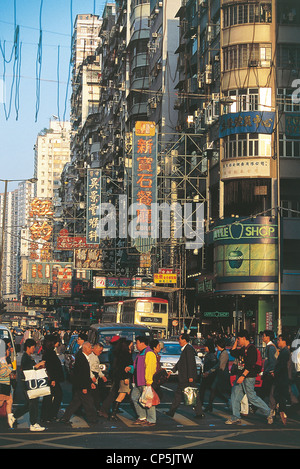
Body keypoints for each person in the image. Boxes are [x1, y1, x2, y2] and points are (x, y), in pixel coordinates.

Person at [225, 329, 273, 425]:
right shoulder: (243, 348)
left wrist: (243, 376)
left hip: (248, 377)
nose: (238, 341)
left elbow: (250, 365)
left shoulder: (251, 349)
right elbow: (233, 352)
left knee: (252, 397)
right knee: (235, 396)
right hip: (241, 376)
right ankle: (235, 417)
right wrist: (235, 342)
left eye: (238, 339)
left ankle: (268, 412)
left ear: (243, 338)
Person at [165, 333, 205, 419]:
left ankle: (199, 413)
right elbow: (180, 362)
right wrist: (172, 370)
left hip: (187, 377)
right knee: (179, 395)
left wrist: (190, 377)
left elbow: (191, 363)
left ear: (184, 340)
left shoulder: (189, 349)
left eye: (179, 339)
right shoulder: (186, 349)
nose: (178, 341)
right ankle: (172, 411)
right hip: (184, 377)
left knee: (193, 395)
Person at [60, 342, 98, 426]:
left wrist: (90, 383)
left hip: (82, 384)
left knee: (75, 402)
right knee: (89, 402)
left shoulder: (83, 357)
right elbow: (81, 374)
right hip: (82, 385)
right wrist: (84, 387)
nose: (91, 349)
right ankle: (93, 419)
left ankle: (65, 418)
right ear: (85, 348)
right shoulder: (81, 358)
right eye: (90, 347)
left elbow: (85, 374)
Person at [14, 338, 46, 431]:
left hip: (30, 382)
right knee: (33, 403)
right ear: (28, 347)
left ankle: (15, 416)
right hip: (28, 383)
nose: (34, 349)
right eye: (33, 347)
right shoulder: (25, 357)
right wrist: (37, 365)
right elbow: (27, 370)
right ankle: (33, 423)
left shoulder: (28, 356)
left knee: (31, 403)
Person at [127, 336, 158, 427]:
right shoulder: (140, 354)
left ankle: (151, 420)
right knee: (135, 398)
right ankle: (142, 417)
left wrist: (149, 381)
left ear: (142, 343)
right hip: (138, 381)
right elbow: (136, 367)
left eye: (137, 343)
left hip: (146, 382)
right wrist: (131, 368)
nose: (136, 345)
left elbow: (150, 368)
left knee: (148, 401)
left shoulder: (149, 353)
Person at [40, 335, 65, 423]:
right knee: (55, 395)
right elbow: (50, 367)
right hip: (52, 379)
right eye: (57, 341)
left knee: (50, 396)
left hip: (53, 379)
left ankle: (48, 415)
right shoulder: (49, 353)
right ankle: (49, 415)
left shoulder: (49, 352)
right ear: (53, 343)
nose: (58, 343)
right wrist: (53, 379)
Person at [204, 337, 231, 412]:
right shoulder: (222, 353)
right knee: (214, 390)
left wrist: (210, 371)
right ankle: (210, 406)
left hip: (222, 375)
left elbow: (220, 365)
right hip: (220, 374)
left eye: (217, 346)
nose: (216, 347)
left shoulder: (224, 353)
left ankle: (230, 402)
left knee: (222, 392)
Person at [110, 340, 133, 421]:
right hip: (124, 378)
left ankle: (137, 413)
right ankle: (113, 414)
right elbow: (124, 367)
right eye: (130, 345)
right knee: (122, 395)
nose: (132, 347)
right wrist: (125, 377)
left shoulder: (119, 354)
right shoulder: (126, 355)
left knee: (130, 395)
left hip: (121, 377)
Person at [271, 334, 291, 425]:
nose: (278, 342)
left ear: (284, 341)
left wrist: (275, 372)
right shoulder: (284, 351)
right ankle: (282, 412)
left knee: (278, 395)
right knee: (280, 395)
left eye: (279, 340)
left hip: (282, 378)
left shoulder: (285, 352)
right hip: (282, 377)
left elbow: (282, 366)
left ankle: (282, 412)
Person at [260, 330, 278, 415]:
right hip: (268, 373)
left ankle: (272, 410)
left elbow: (272, 362)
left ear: (268, 337)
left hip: (269, 373)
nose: (262, 338)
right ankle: (274, 408)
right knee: (267, 392)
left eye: (264, 336)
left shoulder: (271, 347)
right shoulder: (269, 347)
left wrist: (269, 371)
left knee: (265, 392)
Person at [0, 339, 15, 428]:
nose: (9, 351)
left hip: (6, 384)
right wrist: (9, 368)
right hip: (2, 384)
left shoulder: (4, 359)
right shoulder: (2, 360)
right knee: (2, 402)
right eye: (8, 350)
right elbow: (2, 373)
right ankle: (10, 419)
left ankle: (10, 419)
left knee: (9, 401)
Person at [89, 343, 108, 411]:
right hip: (92, 377)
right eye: (100, 351)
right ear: (95, 348)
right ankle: (98, 410)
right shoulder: (91, 357)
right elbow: (88, 368)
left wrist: (102, 376)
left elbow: (97, 368)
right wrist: (92, 377)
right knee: (94, 396)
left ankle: (97, 409)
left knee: (95, 395)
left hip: (95, 376)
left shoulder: (95, 356)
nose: (101, 352)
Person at [199, 339, 218, 409]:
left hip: (209, 375)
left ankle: (205, 404)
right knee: (204, 389)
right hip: (206, 374)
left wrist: (208, 372)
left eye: (206, 347)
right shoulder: (208, 355)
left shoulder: (212, 356)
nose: (205, 348)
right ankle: (206, 405)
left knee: (205, 389)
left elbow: (213, 365)